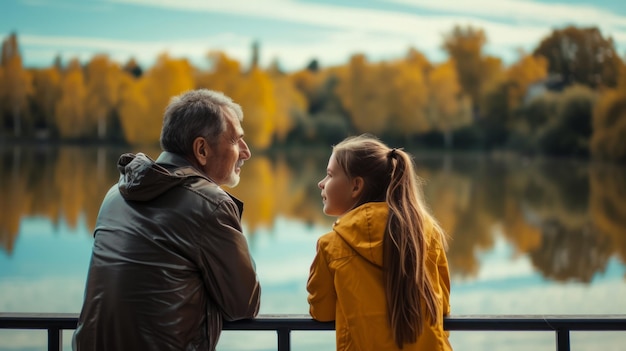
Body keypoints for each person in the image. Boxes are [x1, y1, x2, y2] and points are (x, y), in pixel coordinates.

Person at [73, 89, 261, 351]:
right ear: (202, 149)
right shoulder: (210, 204)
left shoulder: (116, 193)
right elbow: (245, 304)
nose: (246, 152)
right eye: (236, 140)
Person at [307, 134, 452, 351]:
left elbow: (322, 311)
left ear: (356, 186)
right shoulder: (427, 234)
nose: (321, 183)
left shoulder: (332, 245)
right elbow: (443, 308)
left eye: (329, 175)